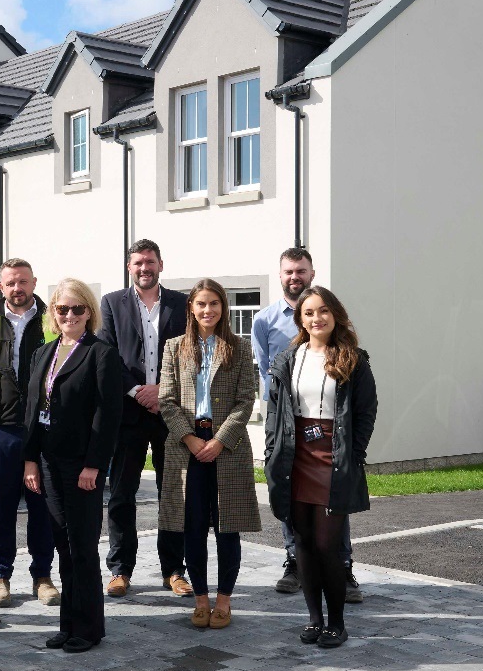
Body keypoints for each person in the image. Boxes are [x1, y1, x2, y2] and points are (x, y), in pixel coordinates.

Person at [264, 287, 378, 648]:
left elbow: (366, 413)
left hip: (333, 457)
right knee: (304, 544)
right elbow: (275, 412)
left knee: (328, 544)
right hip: (295, 457)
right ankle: (314, 620)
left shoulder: (353, 358)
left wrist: (351, 455)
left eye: (324, 311)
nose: (317, 318)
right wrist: (271, 453)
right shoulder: (289, 358)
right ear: (301, 319)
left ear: (336, 315)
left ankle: (337, 623)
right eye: (309, 312)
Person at [251, 248, 362, 602]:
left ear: (312, 273)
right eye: (288, 271)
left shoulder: (323, 313)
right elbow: (268, 378)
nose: (294, 276)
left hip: (329, 428)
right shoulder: (263, 321)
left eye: (301, 270)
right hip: (287, 423)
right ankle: (294, 561)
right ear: (280, 274)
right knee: (289, 491)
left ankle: (343, 568)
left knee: (335, 495)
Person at [23, 279, 122, 653]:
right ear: (52, 312)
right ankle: (68, 624)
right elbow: (33, 412)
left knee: (82, 546)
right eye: (62, 309)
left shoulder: (101, 353)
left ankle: (89, 628)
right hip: (47, 461)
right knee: (63, 545)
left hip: (82, 466)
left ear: (89, 313)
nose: (69, 316)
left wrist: (94, 465)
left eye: (77, 309)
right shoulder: (43, 353)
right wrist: (30, 459)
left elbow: (107, 414)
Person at [158, 279, 260, 630]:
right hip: (187, 447)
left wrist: (219, 441)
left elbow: (246, 399)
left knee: (227, 529)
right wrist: (190, 439)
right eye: (201, 303)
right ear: (191, 307)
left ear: (223, 308)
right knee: (193, 528)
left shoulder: (238, 348)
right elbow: (166, 401)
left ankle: (224, 601)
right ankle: (200, 599)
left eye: (214, 303)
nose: (208, 310)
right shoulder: (174, 348)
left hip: (226, 448)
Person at [96, 239, 188, 597]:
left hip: (171, 414)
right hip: (128, 414)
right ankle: (120, 570)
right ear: (129, 267)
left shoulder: (182, 303)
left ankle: (174, 570)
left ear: (161, 265)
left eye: (149, 262)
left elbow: (189, 353)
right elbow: (107, 355)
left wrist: (161, 391)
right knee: (121, 495)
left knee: (173, 496)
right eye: (137, 263)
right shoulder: (111, 303)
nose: (144, 268)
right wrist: (137, 391)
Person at [0, 259, 59, 609]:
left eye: (23, 282)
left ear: (34, 282)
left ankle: (42, 576)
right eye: (11, 283)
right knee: (1, 507)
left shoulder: (52, 320)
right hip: (0, 428)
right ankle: (0, 577)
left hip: (43, 429)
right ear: (1, 286)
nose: (18, 289)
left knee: (42, 506)